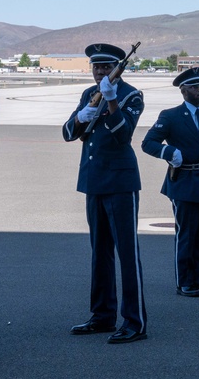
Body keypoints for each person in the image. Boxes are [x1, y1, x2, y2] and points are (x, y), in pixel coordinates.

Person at [62, 43, 148, 344]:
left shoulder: (131, 95)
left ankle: (134, 322)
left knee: (127, 253)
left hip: (121, 182)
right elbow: (67, 133)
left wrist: (111, 104)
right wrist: (80, 118)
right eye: (95, 67)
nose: (100, 72)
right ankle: (102, 316)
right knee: (100, 253)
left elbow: (124, 136)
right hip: (94, 181)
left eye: (105, 67)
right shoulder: (88, 94)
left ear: (116, 68)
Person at [141, 67, 199, 297]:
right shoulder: (171, 116)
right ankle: (185, 282)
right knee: (186, 234)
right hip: (183, 181)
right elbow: (148, 143)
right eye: (195, 87)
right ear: (183, 90)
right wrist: (168, 152)